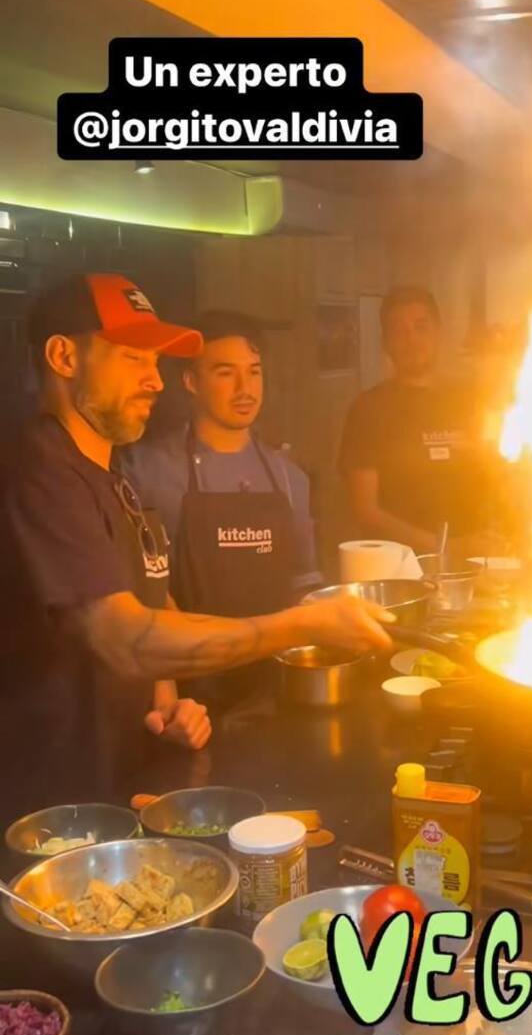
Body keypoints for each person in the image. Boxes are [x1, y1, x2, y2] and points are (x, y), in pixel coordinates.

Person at [0, 274, 390, 817]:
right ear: (65, 357)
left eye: (156, 362)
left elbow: (152, 595)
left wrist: (168, 697)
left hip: (119, 783)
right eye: (134, 359)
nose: (154, 381)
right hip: (48, 810)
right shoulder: (39, 470)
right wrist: (303, 625)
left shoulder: (111, 476)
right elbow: (122, 638)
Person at [122, 310, 321, 618]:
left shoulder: (289, 478)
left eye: (254, 372)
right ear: (191, 382)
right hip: (185, 646)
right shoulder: (144, 470)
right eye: (226, 373)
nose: (245, 389)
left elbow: (304, 581)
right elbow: (133, 591)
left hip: (276, 647)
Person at [339, 286, 492, 558]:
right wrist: (445, 548)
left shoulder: (471, 401)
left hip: (475, 563)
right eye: (399, 331)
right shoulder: (368, 410)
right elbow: (366, 510)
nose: (411, 340)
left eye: (421, 328)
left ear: (438, 332)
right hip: (400, 569)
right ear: (385, 342)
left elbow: (495, 477)